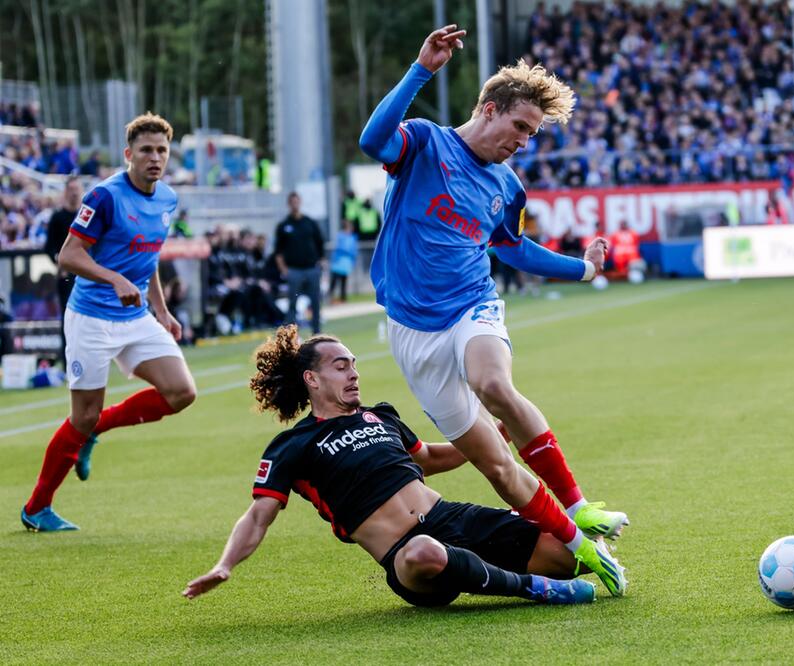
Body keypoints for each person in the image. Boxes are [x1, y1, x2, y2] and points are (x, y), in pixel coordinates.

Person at [359, 25, 627, 596]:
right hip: (411, 330)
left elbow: (512, 248)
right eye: (521, 127)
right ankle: (580, 548)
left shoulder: (508, 185)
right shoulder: (426, 143)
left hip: (472, 306)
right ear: (488, 109)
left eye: (532, 133)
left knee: (493, 383)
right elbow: (372, 141)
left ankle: (578, 507)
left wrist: (583, 268)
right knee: (495, 465)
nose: (524, 141)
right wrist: (420, 70)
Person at [183, 327, 599, 606]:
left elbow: (434, 458)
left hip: (451, 517)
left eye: (354, 364)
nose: (354, 373)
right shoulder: (292, 445)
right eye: (340, 366)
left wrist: (496, 432)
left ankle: (505, 565)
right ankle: (535, 590)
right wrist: (225, 564)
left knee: (574, 557)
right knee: (425, 553)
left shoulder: (380, 416)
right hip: (408, 557)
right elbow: (258, 517)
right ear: (311, 379)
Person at [20, 113, 197, 532]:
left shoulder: (167, 198)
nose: (155, 158)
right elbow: (69, 256)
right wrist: (114, 278)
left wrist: (162, 309)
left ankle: (96, 429)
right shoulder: (105, 196)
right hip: (91, 319)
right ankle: (36, 508)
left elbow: (148, 257)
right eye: (146, 151)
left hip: (135, 316)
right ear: (128, 155)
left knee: (181, 392)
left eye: (161, 151)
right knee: (80, 416)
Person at [43, 177, 84, 369]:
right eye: (72, 189)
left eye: (78, 189)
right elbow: (49, 247)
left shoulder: (86, 216)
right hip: (67, 276)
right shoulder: (57, 217)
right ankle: (69, 359)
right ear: (66, 192)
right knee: (68, 317)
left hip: (87, 275)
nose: (75, 193)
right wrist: (59, 261)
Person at [274, 191, 325, 335]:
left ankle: (316, 332)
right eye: (292, 202)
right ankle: (291, 335)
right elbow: (278, 251)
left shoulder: (309, 223)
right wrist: (283, 269)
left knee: (315, 301)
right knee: (292, 303)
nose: (295, 204)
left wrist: (321, 262)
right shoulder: (284, 226)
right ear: (289, 204)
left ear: (300, 202)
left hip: (311, 268)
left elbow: (319, 243)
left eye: (297, 201)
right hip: (294, 270)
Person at [329, 219, 358, 303]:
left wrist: (353, 260)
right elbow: (339, 248)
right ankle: (330, 297)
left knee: (344, 280)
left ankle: (343, 298)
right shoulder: (341, 236)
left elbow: (353, 250)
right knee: (334, 280)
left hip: (346, 262)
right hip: (339, 261)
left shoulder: (352, 237)